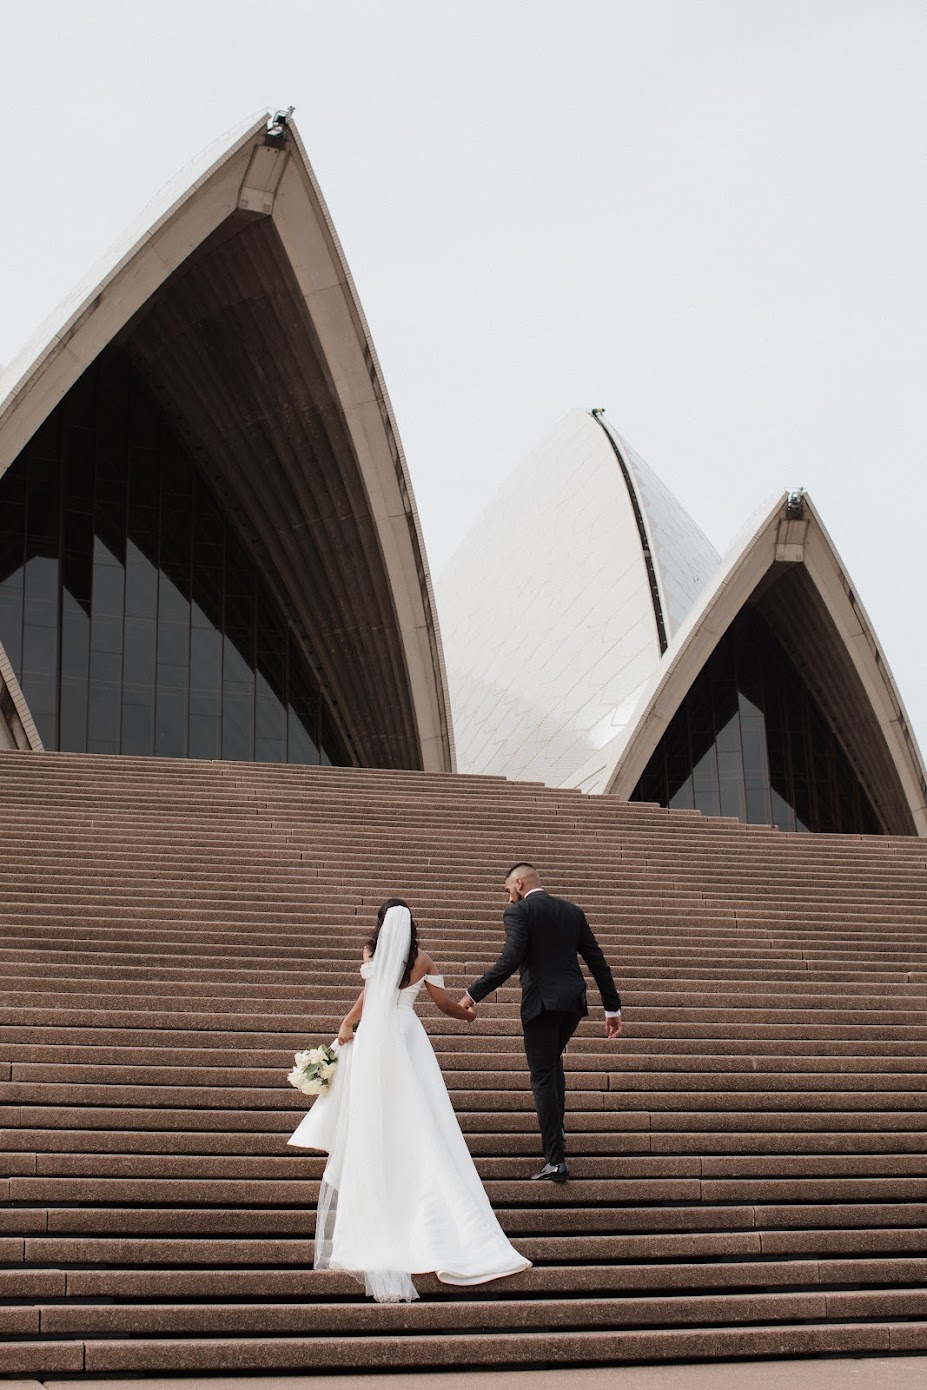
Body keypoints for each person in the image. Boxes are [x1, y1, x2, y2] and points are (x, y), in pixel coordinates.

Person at [287, 897, 530, 1303]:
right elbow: (445, 1006)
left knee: (378, 1114)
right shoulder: (424, 960)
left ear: (381, 925)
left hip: (376, 1040)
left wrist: (349, 1023)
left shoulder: (372, 953)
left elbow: (369, 994)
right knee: (420, 1113)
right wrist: (468, 1015)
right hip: (407, 1036)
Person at [460, 863, 622, 1183]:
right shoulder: (572, 911)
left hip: (542, 1004)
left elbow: (510, 960)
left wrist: (472, 994)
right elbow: (596, 960)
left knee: (543, 1075)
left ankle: (555, 1159)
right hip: (572, 1004)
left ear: (519, 883)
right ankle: (556, 1132)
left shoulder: (520, 913)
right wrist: (611, 1008)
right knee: (552, 1065)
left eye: (508, 891)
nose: (508, 900)